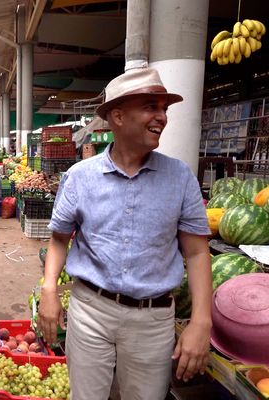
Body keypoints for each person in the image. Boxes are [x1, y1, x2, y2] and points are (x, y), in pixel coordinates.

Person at [37, 67, 212, 400]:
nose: (161, 116)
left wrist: (201, 321)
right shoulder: (79, 177)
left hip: (153, 319)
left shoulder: (180, 178)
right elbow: (60, 237)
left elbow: (197, 251)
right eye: (150, 106)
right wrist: (48, 289)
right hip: (91, 311)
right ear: (117, 115)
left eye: (164, 109)